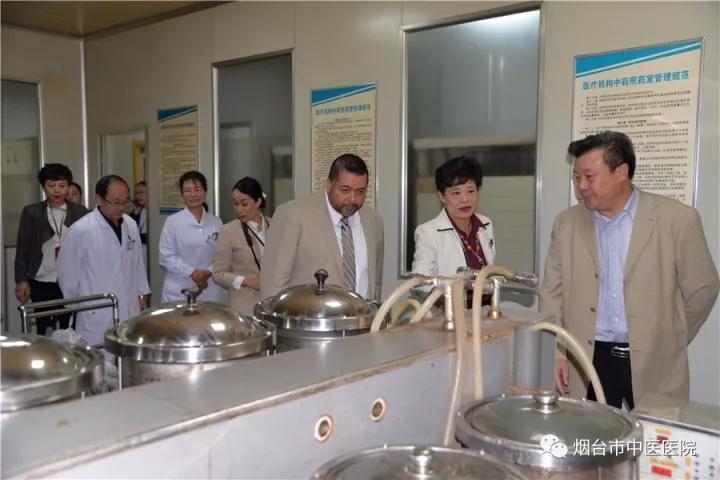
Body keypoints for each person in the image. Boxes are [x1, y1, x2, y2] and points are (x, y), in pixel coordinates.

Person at [539, 131, 719, 408]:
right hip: (586, 359)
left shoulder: (677, 219)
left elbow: (703, 288)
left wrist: (671, 337)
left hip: (656, 363)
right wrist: (557, 352)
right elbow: (552, 292)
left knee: (653, 435)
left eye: (589, 177)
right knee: (591, 434)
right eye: (576, 177)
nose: (581, 186)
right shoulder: (567, 223)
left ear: (621, 172)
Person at [261, 153, 384, 300]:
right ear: (329, 184)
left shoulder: (373, 221)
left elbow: (375, 284)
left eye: (360, 192)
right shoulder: (292, 215)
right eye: (345, 190)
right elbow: (273, 287)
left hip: (362, 314)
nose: (353, 199)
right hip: (308, 314)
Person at [57, 175, 150, 347]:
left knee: (127, 354)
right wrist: (82, 308)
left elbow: (137, 263)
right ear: (99, 199)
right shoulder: (80, 230)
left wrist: (142, 293)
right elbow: (67, 278)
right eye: (116, 202)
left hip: (129, 306)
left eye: (125, 201)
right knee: (101, 357)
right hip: (96, 313)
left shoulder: (130, 224)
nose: (121, 207)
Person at [15, 164, 88, 335]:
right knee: (43, 324)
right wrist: (21, 280)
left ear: (68, 186)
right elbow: (23, 248)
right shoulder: (32, 212)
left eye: (62, 185)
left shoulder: (80, 212)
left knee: (69, 324)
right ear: (43, 186)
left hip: (72, 278)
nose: (57, 190)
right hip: (42, 277)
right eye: (51, 185)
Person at [412, 155, 496, 280]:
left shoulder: (485, 224)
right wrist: (447, 291)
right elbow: (419, 283)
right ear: (442, 196)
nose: (465, 199)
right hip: (448, 294)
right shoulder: (428, 233)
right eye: (456, 193)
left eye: (470, 191)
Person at [159, 171, 223, 303]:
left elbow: (223, 255)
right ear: (182, 194)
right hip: (179, 289)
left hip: (208, 288)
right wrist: (192, 272)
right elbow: (165, 257)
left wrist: (208, 272)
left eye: (197, 189)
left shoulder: (216, 222)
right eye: (187, 190)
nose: (193, 194)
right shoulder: (173, 222)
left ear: (205, 191)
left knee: (207, 316)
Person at [213, 177, 270, 316]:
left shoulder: (275, 225)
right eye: (235, 204)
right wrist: (247, 281)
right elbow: (218, 274)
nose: (239, 209)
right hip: (244, 308)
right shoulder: (228, 231)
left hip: (272, 305)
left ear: (258, 201)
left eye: (244, 204)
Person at [128, 181, 148, 267]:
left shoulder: (155, 213)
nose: (138, 196)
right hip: (138, 254)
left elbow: (150, 238)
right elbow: (128, 232)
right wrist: (135, 214)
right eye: (136, 193)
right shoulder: (137, 211)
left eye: (142, 193)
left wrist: (137, 237)